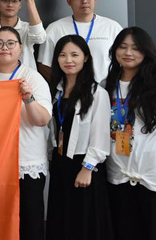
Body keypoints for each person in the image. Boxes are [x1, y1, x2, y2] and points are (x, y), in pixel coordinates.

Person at [0, 26, 51, 240]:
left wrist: (28, 99)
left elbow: (42, 120)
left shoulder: (32, 77)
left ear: (20, 48)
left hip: (25, 161)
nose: (5, 48)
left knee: (29, 221)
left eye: (11, 43)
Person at [45, 35, 112, 240]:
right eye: (62, 55)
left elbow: (100, 136)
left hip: (84, 166)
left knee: (83, 223)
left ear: (86, 58)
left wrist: (87, 168)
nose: (68, 60)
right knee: (61, 221)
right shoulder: (55, 91)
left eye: (75, 55)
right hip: (60, 164)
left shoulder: (97, 93)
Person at [104, 27, 156, 238]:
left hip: (152, 171)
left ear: (146, 52)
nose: (128, 52)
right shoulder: (105, 86)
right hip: (118, 171)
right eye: (123, 47)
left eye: (135, 48)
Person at [37, 0, 122, 84]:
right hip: (68, 92)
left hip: (105, 90)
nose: (84, 1)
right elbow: (44, 65)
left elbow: (123, 63)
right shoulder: (55, 29)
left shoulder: (112, 27)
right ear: (69, 2)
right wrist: (64, 86)